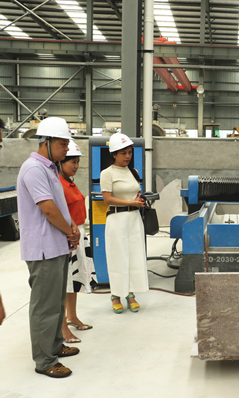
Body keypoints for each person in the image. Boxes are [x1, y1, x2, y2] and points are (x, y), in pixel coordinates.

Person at [17, 117, 81, 378]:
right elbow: (48, 209)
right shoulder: (33, 169)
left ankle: (55, 346)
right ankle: (44, 360)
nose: (67, 148)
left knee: (55, 302)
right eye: (63, 144)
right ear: (46, 142)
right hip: (43, 248)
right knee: (44, 305)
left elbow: (59, 206)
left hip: (56, 246)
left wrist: (71, 227)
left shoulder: (51, 168)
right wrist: (69, 230)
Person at [100, 133, 148, 313]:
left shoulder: (133, 172)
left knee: (134, 256)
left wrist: (139, 199)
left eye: (129, 152)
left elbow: (136, 192)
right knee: (117, 257)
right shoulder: (107, 173)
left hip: (134, 219)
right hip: (117, 219)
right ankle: (115, 295)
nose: (127, 156)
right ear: (113, 154)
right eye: (123, 153)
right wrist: (131, 203)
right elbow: (107, 199)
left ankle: (130, 294)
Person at [58, 140, 96, 342]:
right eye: (72, 162)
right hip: (67, 236)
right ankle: (62, 326)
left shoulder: (70, 182)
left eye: (78, 162)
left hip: (79, 232)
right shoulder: (57, 183)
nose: (76, 166)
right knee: (64, 282)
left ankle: (72, 316)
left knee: (74, 281)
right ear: (60, 162)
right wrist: (70, 234)